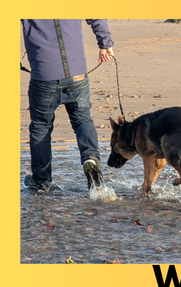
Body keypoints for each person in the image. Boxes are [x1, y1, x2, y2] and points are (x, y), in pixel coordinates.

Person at [21, 19, 115, 192]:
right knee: (82, 120)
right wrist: (105, 43)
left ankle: (41, 182)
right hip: (76, 73)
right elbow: (97, 16)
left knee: (41, 127)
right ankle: (90, 158)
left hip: (44, 75)